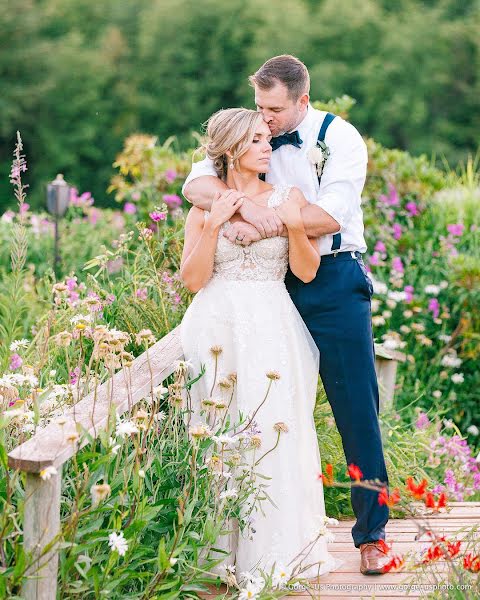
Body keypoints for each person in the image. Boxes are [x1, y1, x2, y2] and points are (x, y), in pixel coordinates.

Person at [182, 55, 391, 576]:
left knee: (355, 408)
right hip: (257, 292)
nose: (266, 121)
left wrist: (268, 222)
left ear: (302, 100)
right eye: (259, 108)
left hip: (331, 279)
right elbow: (195, 187)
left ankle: (373, 535)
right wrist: (247, 209)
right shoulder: (250, 135)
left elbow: (329, 214)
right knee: (261, 408)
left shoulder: (340, 139)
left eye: (274, 110)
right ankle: (243, 535)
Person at [179, 107, 342, 581]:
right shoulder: (205, 205)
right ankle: (216, 556)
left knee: (275, 429)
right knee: (216, 430)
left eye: (266, 138)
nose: (267, 145)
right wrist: (212, 226)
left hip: (273, 324)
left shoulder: (287, 197)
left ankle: (275, 551)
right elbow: (192, 280)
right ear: (231, 151)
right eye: (256, 140)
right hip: (214, 328)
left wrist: (293, 225)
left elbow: (307, 272)